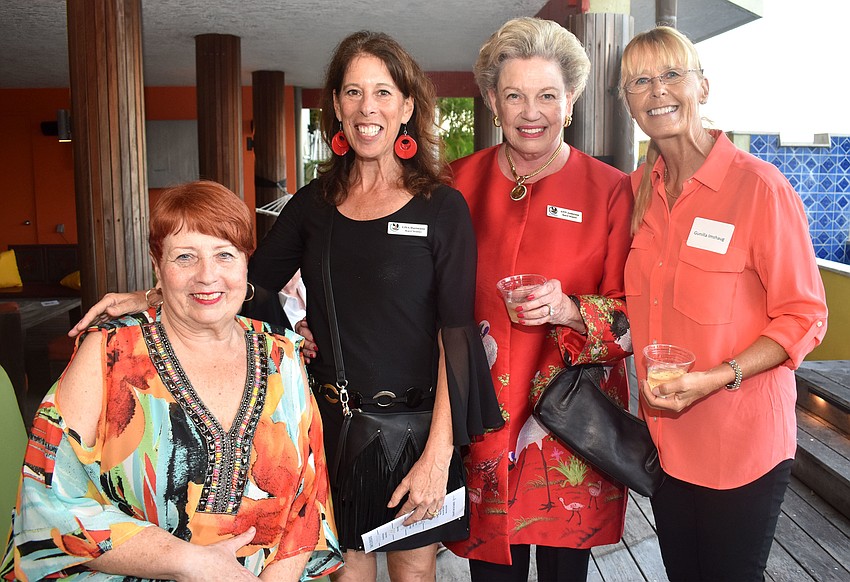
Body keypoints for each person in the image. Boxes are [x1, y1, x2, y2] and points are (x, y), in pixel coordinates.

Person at [69, 31, 503, 582]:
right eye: (352, 92)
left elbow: (456, 334)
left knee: (414, 574)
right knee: (345, 574)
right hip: (330, 425)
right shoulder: (314, 205)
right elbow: (244, 286)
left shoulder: (441, 208)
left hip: (417, 429)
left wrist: (439, 455)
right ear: (337, 109)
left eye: (383, 92)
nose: (367, 108)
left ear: (407, 107)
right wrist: (149, 296)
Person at [2, 181, 342, 581]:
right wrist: (189, 562)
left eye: (224, 255)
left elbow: (307, 504)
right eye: (185, 257)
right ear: (157, 267)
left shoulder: (282, 356)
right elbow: (46, 503)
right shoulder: (107, 355)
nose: (207, 276)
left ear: (245, 263)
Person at [620, 26, 828, 581]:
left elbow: (805, 315)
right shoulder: (638, 193)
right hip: (664, 441)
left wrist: (719, 376)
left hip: (740, 445)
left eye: (671, 74)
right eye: (640, 80)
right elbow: (627, 302)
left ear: (702, 87)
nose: (657, 90)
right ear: (629, 103)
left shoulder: (759, 188)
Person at [443, 17, 634, 581]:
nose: (532, 111)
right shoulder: (454, 184)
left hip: (568, 430)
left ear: (570, 102)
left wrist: (569, 309)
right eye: (515, 96)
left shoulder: (610, 191)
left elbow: (633, 313)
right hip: (479, 423)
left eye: (547, 95)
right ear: (493, 104)